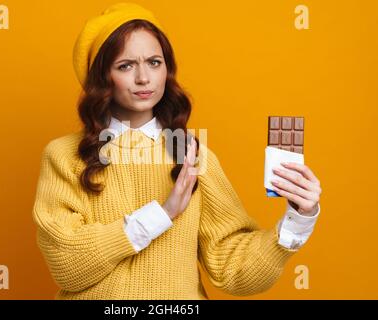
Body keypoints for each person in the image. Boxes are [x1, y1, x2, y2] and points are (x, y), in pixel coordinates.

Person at [32, 2, 322, 300]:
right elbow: (66, 261)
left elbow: (232, 268)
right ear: (101, 77)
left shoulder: (193, 155)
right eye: (125, 65)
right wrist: (163, 214)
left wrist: (298, 218)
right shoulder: (65, 156)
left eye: (154, 62)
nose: (144, 78)